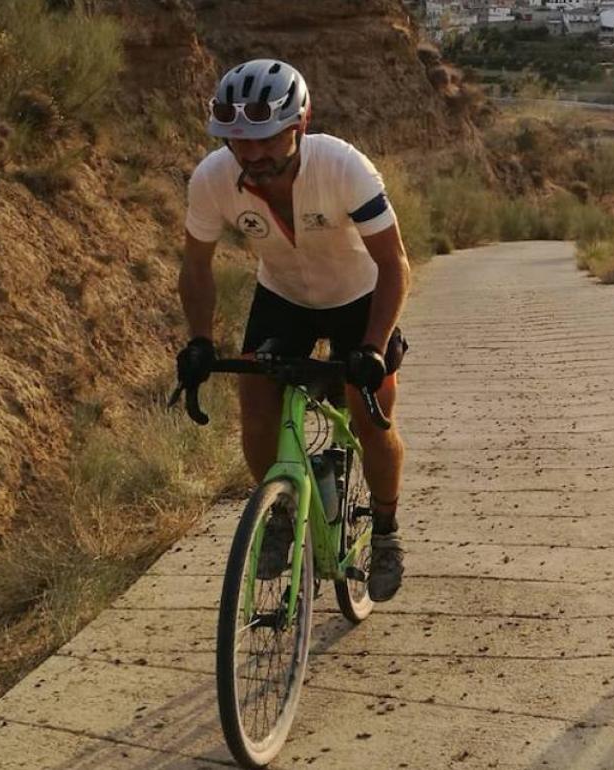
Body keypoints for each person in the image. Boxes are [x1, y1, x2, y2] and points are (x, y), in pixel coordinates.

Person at [174, 59, 410, 600]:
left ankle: (388, 531)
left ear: (298, 127)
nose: (251, 154)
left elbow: (395, 264)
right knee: (255, 399)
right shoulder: (213, 179)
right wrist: (199, 340)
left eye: (264, 140)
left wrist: (373, 348)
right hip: (283, 297)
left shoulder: (344, 167)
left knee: (372, 414)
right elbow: (194, 268)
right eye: (238, 142)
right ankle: (278, 510)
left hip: (360, 296)